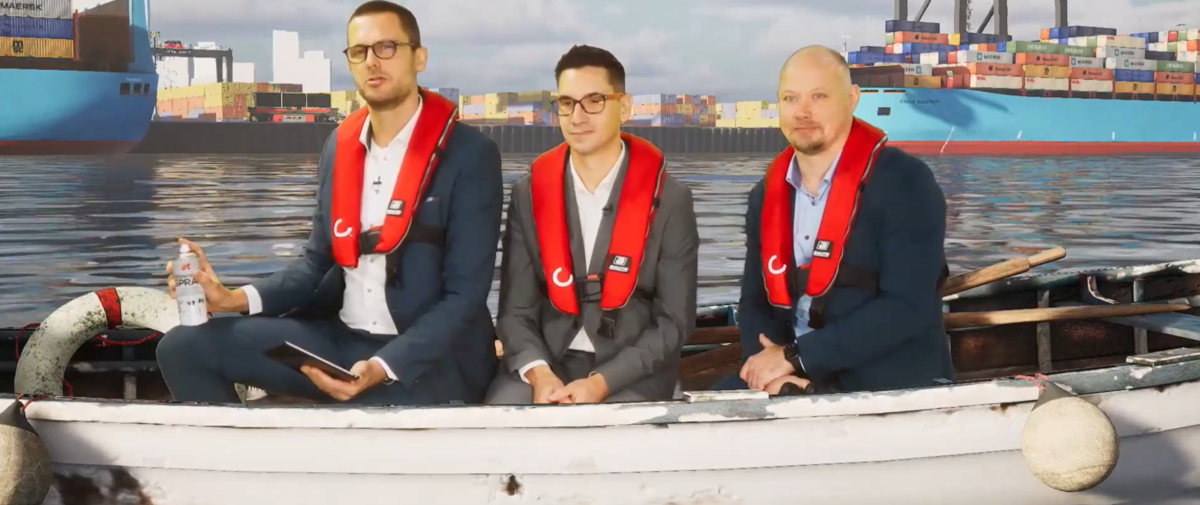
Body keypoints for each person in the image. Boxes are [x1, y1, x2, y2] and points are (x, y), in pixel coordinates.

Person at [156, 0, 503, 406]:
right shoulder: (338, 148)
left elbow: (464, 298)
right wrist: (231, 298)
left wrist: (382, 366)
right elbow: (314, 266)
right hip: (340, 342)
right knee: (184, 347)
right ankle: (240, 461)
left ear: (419, 57)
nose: (373, 61)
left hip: (428, 360)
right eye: (360, 52)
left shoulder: (470, 155)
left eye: (387, 47)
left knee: (366, 407)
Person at [719, 45, 952, 395]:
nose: (803, 112)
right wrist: (766, 366)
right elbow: (754, 301)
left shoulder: (906, 182)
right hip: (789, 376)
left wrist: (796, 358)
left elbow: (906, 309)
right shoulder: (765, 195)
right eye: (791, 99)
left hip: (889, 380)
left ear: (852, 99)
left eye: (819, 96)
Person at [486, 45, 699, 404]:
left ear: (625, 107)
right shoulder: (527, 195)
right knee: (501, 411)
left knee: (614, 429)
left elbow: (673, 323)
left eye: (594, 101)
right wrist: (539, 373)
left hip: (632, 371)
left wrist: (601, 383)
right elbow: (515, 311)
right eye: (567, 103)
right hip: (548, 361)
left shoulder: (672, 200)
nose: (577, 116)